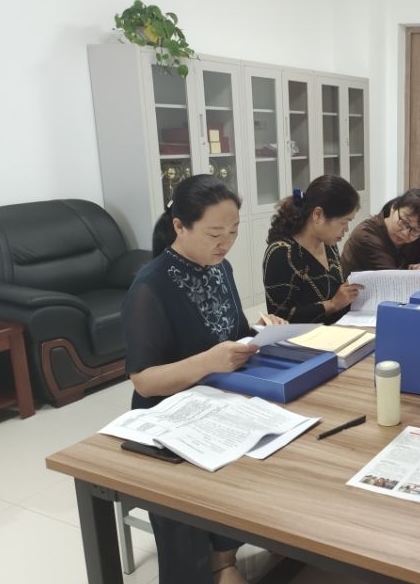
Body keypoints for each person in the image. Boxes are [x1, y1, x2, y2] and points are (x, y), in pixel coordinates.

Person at [122, 174, 284, 584]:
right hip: (167, 414)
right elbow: (144, 381)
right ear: (180, 226)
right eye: (215, 233)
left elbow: (235, 332)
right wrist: (208, 362)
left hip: (220, 398)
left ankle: (224, 556)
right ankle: (208, 567)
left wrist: (261, 333)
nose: (226, 243)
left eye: (233, 231)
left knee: (278, 450)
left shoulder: (219, 268)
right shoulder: (150, 286)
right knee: (185, 495)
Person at [263, 175, 363, 323]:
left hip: (341, 328)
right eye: (344, 222)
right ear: (318, 215)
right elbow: (280, 318)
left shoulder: (328, 244)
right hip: (306, 336)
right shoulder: (282, 253)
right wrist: (332, 305)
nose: (346, 229)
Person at [340, 187, 420, 284]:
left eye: (416, 230)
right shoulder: (366, 235)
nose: (405, 233)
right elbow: (398, 283)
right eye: (404, 222)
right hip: (357, 307)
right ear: (393, 208)